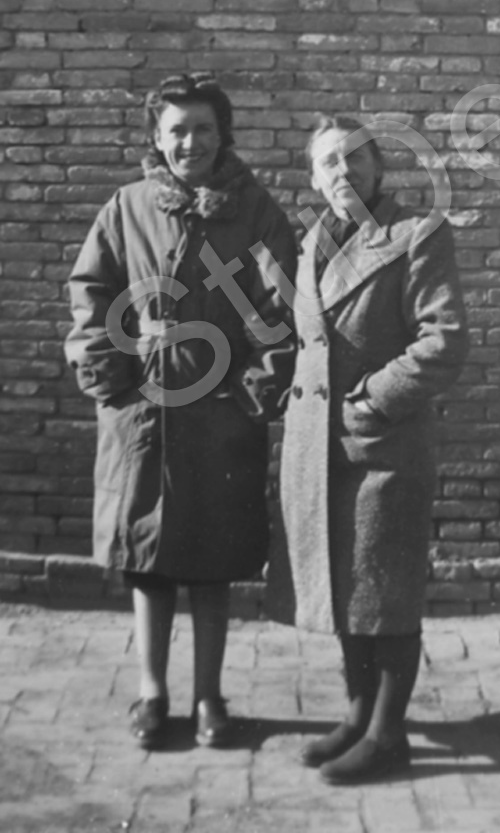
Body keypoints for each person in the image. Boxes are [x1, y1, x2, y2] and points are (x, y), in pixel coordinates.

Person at [65, 73, 296, 749]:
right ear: (156, 139)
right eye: (176, 131)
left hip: (220, 417)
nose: (190, 142)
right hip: (143, 414)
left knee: (212, 562)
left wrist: (249, 392)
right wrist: (113, 379)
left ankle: (208, 698)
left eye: (202, 129)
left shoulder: (255, 214)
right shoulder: (128, 207)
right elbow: (91, 293)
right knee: (148, 557)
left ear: (223, 135)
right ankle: (152, 694)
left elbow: (279, 313)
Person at [270, 114, 468, 784]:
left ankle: (388, 735)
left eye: (355, 158)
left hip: (384, 443)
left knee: (386, 591)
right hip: (318, 447)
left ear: (379, 168)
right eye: (328, 162)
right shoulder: (311, 243)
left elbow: (444, 341)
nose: (343, 171)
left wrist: (370, 401)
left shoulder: (416, 234)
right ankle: (357, 716)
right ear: (314, 177)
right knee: (344, 586)